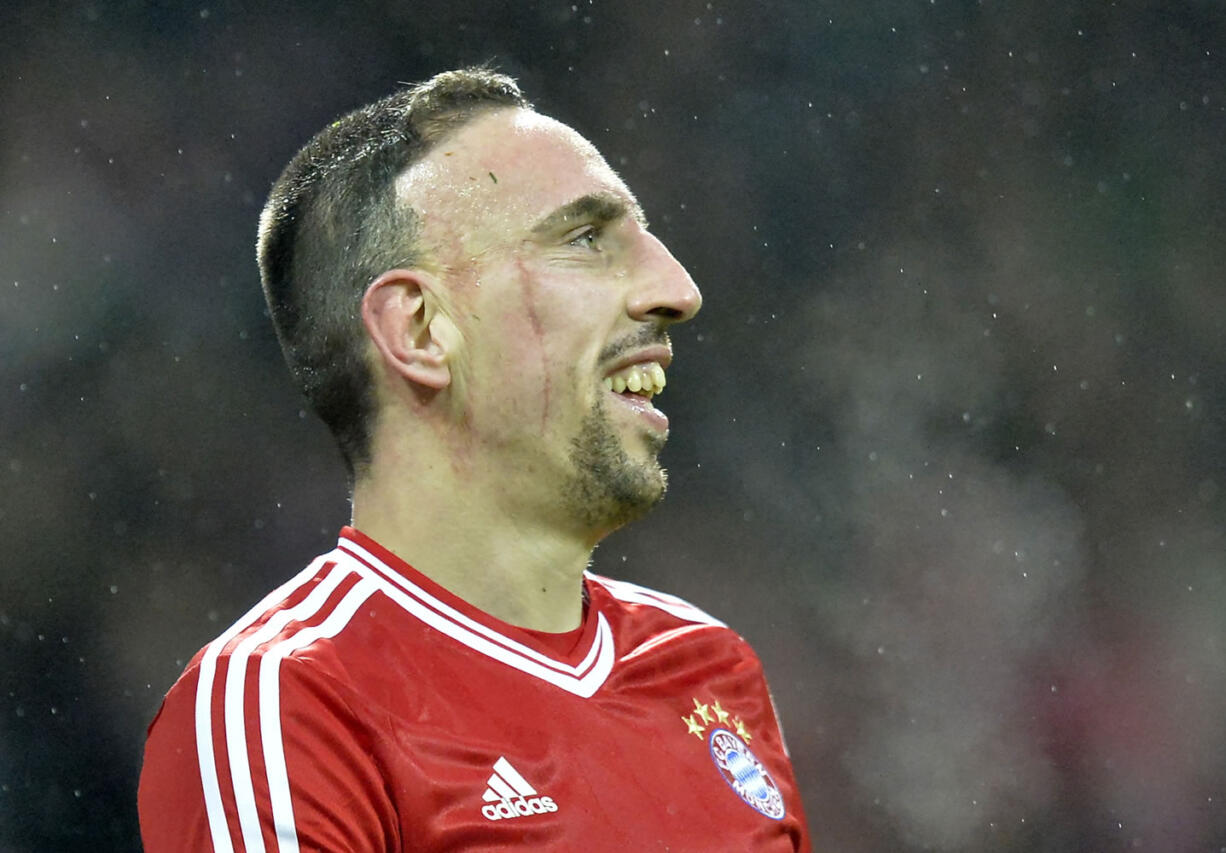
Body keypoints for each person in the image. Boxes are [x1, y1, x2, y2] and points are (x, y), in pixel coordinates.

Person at [138, 67, 811, 851]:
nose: (677, 288)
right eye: (586, 239)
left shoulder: (708, 667)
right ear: (420, 330)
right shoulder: (292, 699)